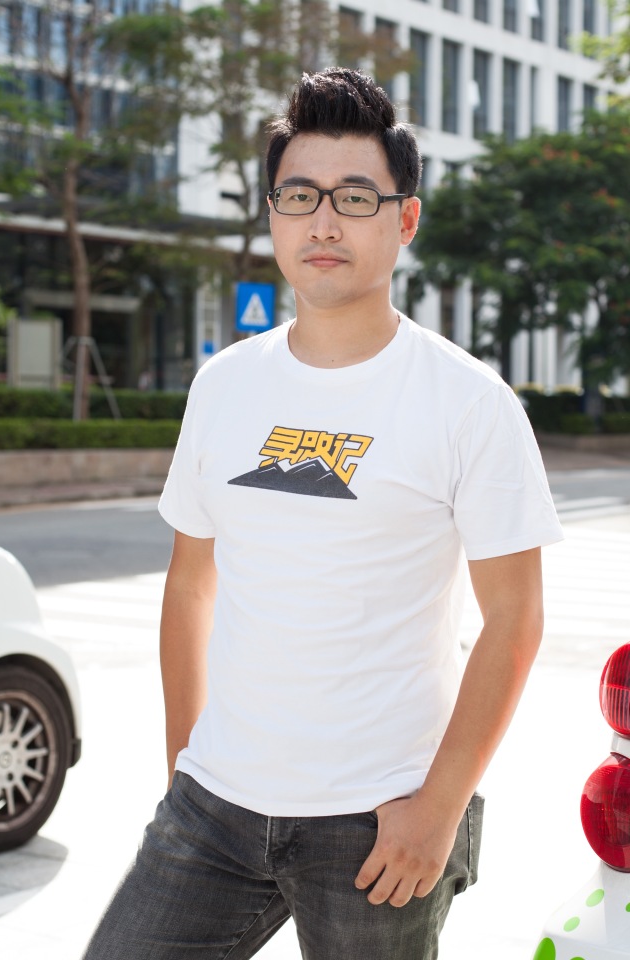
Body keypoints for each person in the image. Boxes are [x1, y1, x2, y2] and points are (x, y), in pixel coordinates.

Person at [82, 68, 563, 960]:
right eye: (299, 195)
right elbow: (190, 587)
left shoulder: (468, 401)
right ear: (274, 213)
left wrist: (439, 810)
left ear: (404, 219)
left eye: (355, 197)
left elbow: (515, 618)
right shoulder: (224, 385)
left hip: (377, 818)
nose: (324, 222)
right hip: (214, 807)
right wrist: (183, 765)